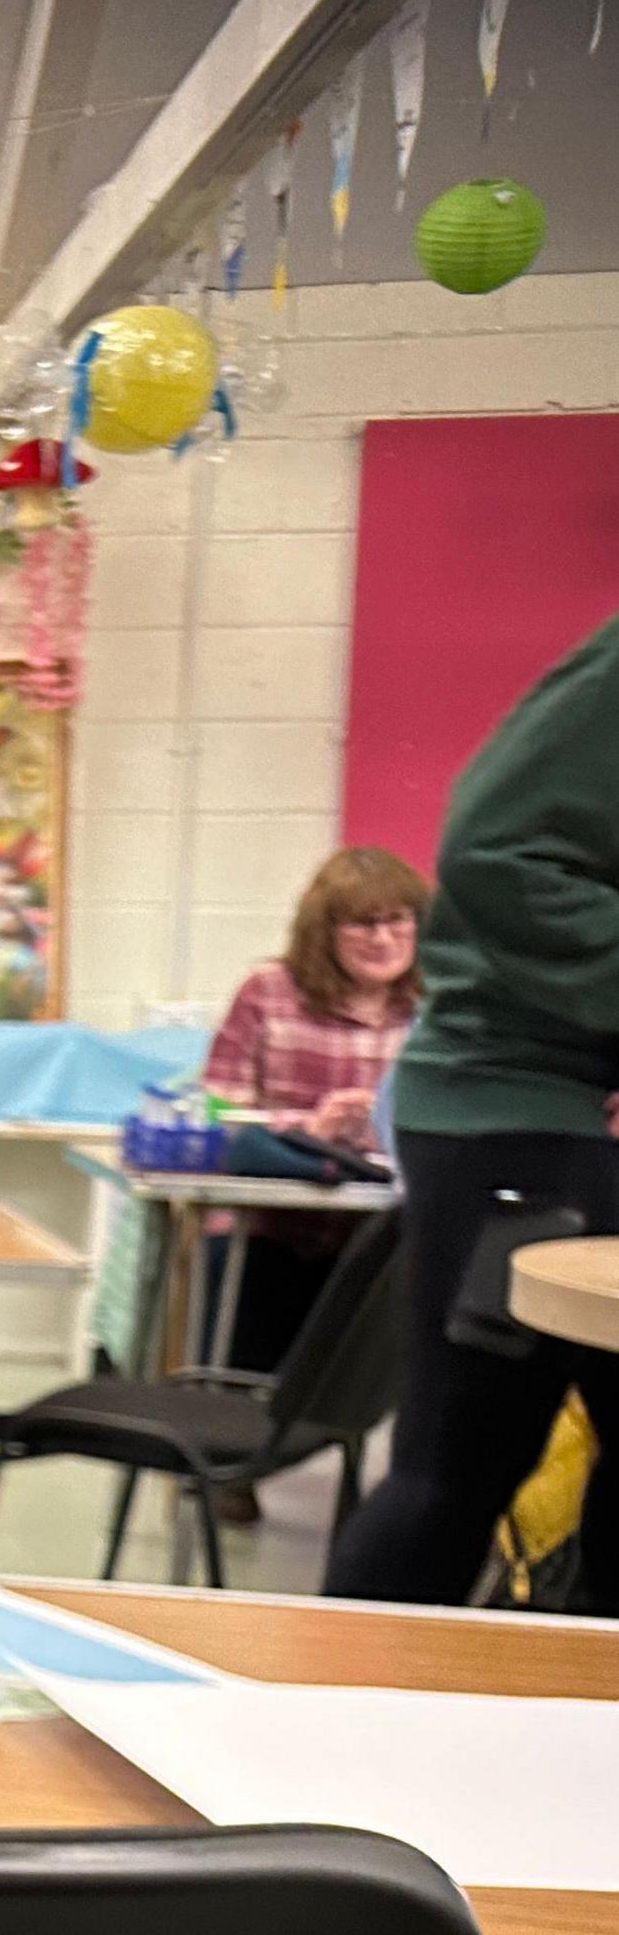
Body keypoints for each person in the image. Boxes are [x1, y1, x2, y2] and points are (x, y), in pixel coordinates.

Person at [330, 613, 619, 1613]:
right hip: (522, 1115)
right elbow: (498, 848)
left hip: (556, 1112)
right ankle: (328, 1743)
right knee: (457, 1471)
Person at [199, 846, 427, 1379]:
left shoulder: (434, 1011)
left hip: (384, 1249)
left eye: (397, 920)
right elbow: (217, 1112)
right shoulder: (268, 995)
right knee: (245, 1400)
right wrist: (309, 1133)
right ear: (323, 930)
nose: (383, 938)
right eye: (362, 924)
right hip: (265, 1240)